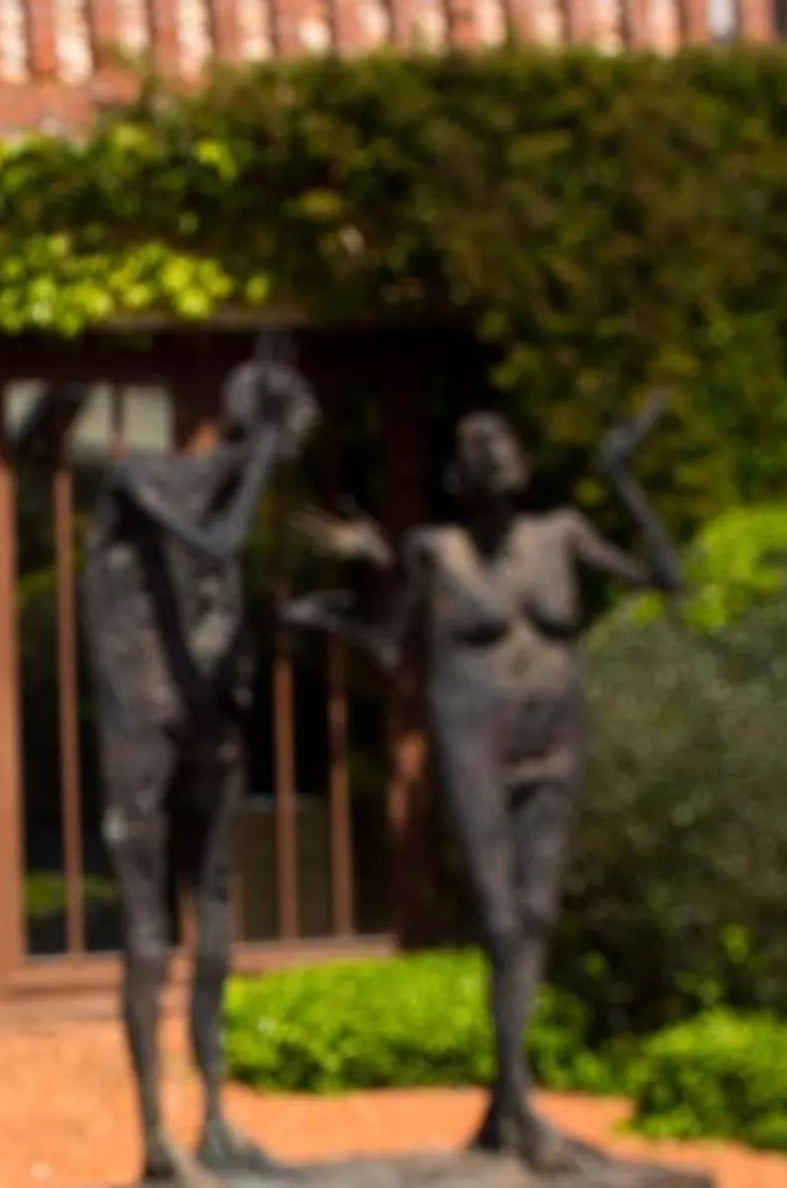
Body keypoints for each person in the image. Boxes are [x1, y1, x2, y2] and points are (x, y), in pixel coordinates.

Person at [293, 396, 684, 1174]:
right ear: (459, 472)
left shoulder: (562, 534)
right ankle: (515, 1102)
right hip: (473, 734)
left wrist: (622, 479)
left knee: (538, 911)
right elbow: (386, 643)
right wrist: (358, 570)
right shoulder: (434, 550)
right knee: (502, 919)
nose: (492, 455)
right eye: (476, 446)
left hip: (556, 734)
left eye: (502, 442)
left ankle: (512, 1106)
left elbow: (665, 580)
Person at [72, 349, 316, 1182]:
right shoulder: (142, 482)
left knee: (214, 916)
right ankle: (155, 1139)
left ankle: (214, 1117)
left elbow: (224, 581)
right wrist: (257, 460)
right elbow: (221, 537)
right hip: (142, 728)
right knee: (148, 933)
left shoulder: (220, 503)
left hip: (211, 724)